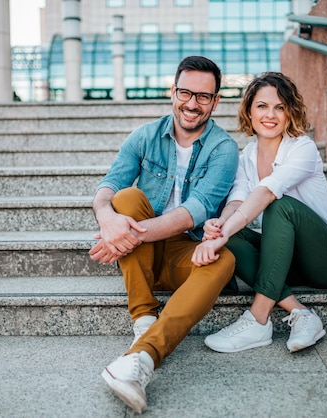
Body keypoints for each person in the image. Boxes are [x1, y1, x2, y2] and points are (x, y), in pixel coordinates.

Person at [89, 56, 239, 414]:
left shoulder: (224, 149)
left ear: (216, 101)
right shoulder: (145, 135)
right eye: (185, 92)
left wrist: (128, 235)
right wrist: (108, 219)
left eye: (203, 96)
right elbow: (109, 186)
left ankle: (143, 357)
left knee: (225, 259)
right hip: (140, 255)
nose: (192, 103)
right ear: (172, 91)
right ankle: (144, 319)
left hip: (179, 253)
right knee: (126, 198)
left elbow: (196, 210)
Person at [191, 72, 327, 354]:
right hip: (286, 260)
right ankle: (301, 314)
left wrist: (225, 230)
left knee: (278, 205)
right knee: (230, 237)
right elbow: (237, 202)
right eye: (262, 106)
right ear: (249, 110)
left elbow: (266, 193)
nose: (270, 114)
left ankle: (258, 319)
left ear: (289, 112)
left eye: (279, 107)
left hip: (326, 261)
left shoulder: (302, 148)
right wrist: (218, 227)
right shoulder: (245, 157)